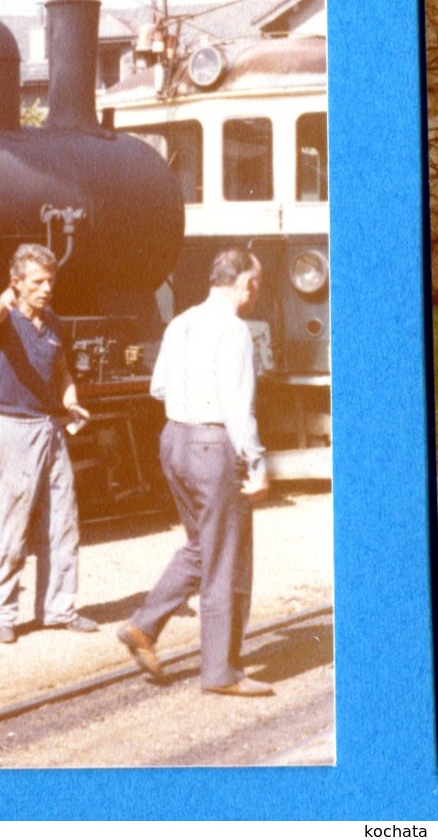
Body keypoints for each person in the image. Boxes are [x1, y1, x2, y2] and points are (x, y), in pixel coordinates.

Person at [117, 249, 274, 696]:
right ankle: (221, 672)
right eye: (255, 284)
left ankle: (144, 626)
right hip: (212, 444)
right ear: (244, 282)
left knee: (203, 546)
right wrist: (257, 464)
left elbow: (157, 386)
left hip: (174, 441)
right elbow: (238, 407)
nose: (254, 292)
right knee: (225, 554)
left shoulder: (180, 322)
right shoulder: (234, 331)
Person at [0, 243, 96, 644]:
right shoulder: (5, 320)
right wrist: (5, 299)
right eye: (38, 282)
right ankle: (1, 614)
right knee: (10, 527)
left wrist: (71, 402)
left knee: (63, 523)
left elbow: (61, 372)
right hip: (13, 432)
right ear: (17, 283)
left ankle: (59, 610)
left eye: (51, 280)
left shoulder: (53, 324)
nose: (47, 288)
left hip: (51, 429)